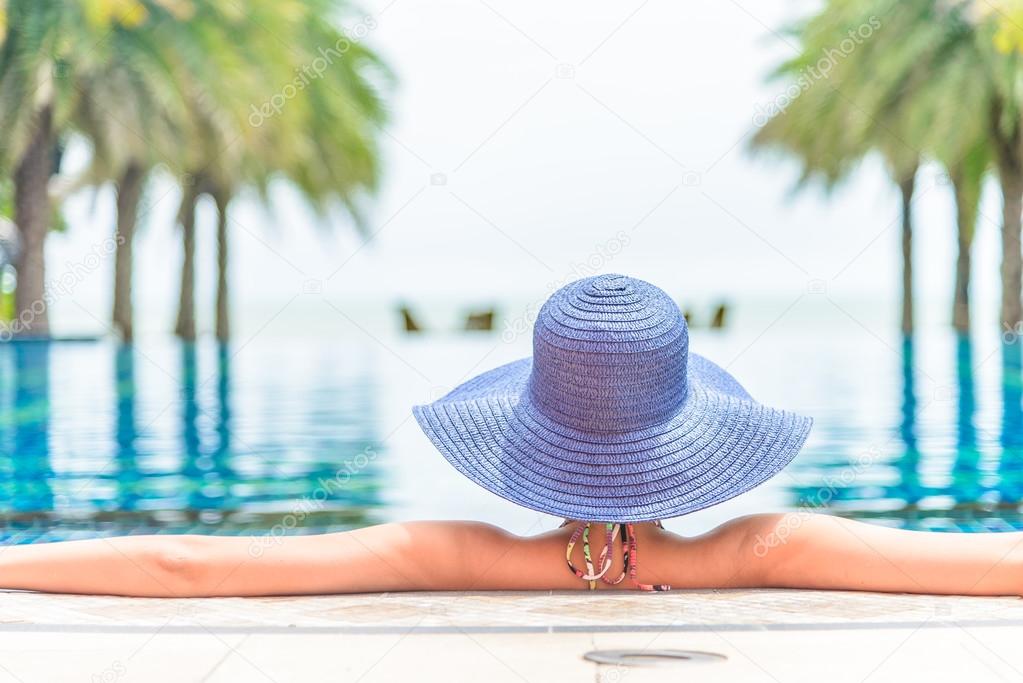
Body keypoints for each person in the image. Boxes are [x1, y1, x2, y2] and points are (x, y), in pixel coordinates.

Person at [1, 274, 1020, 598]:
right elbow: (989, 564)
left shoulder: (459, 555)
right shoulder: (772, 547)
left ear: (534, 427)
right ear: (692, 430)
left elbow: (188, 562)